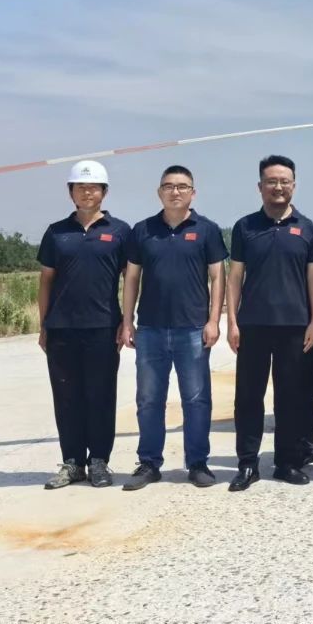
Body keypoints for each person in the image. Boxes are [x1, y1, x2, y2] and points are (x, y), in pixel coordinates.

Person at [120, 165, 227, 490]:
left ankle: (198, 463)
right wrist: (127, 321)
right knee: (149, 399)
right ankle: (149, 463)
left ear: (193, 193)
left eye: (182, 186)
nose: (175, 191)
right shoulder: (143, 230)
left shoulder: (207, 230)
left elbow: (218, 276)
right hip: (150, 328)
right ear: (159, 192)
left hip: (193, 329)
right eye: (168, 186)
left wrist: (213, 320)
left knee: (196, 399)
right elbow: (132, 278)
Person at [226, 155, 313, 491]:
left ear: (293, 185)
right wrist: (232, 321)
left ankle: (287, 462)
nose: (278, 187)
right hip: (253, 325)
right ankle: (247, 464)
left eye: (284, 181)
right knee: (248, 397)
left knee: (291, 397)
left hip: (295, 326)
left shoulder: (307, 229)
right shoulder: (245, 227)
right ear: (260, 186)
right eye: (271, 181)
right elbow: (235, 276)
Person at [36, 160, 131, 490]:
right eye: (80, 187)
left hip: (103, 327)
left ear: (104, 192)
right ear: (70, 192)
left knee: (100, 395)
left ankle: (99, 461)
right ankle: (73, 462)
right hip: (62, 328)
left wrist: (127, 320)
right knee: (67, 397)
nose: (86, 192)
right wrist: (44, 325)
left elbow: (131, 279)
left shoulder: (120, 232)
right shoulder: (56, 232)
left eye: (93, 187)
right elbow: (46, 281)